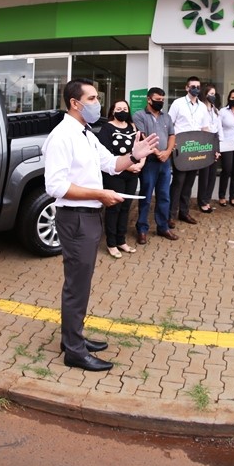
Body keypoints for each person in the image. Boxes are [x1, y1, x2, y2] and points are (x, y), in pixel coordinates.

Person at [43, 79, 158, 372]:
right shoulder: (62, 136)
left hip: (89, 216)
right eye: (92, 98)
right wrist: (99, 194)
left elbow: (110, 164)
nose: (97, 103)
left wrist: (135, 155)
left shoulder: (87, 134)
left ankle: (73, 338)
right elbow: (55, 185)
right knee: (76, 286)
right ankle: (74, 351)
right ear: (75, 103)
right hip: (76, 217)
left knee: (81, 282)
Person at [97, 99, 143, 258]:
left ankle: (121, 240)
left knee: (125, 207)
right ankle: (111, 243)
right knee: (114, 208)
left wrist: (140, 165)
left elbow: (141, 148)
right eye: (119, 108)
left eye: (125, 108)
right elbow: (107, 155)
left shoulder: (133, 127)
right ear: (113, 111)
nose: (122, 110)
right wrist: (130, 165)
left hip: (132, 174)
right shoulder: (107, 128)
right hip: (115, 175)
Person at [133, 88, 177, 244]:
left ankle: (163, 227)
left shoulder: (167, 117)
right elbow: (143, 137)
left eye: (163, 99)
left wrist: (167, 152)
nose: (161, 102)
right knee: (146, 195)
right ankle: (142, 229)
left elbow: (172, 135)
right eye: (158, 99)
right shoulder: (139, 115)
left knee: (164, 196)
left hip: (165, 162)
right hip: (150, 162)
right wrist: (158, 152)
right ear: (149, 99)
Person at [168, 76, 210, 226]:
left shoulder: (203, 107)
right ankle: (170, 214)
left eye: (198, 86)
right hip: (181, 148)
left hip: (195, 149)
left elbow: (205, 128)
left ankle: (184, 213)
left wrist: (209, 146)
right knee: (178, 181)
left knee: (190, 182)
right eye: (193, 86)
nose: (196, 89)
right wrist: (171, 144)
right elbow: (169, 124)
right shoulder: (178, 103)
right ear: (187, 88)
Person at [196, 84, 222, 213]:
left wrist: (219, 147)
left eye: (214, 94)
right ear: (205, 95)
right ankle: (202, 202)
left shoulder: (216, 110)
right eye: (210, 94)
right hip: (204, 144)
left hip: (214, 143)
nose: (213, 96)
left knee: (212, 174)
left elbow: (219, 129)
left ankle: (207, 199)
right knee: (204, 175)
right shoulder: (201, 109)